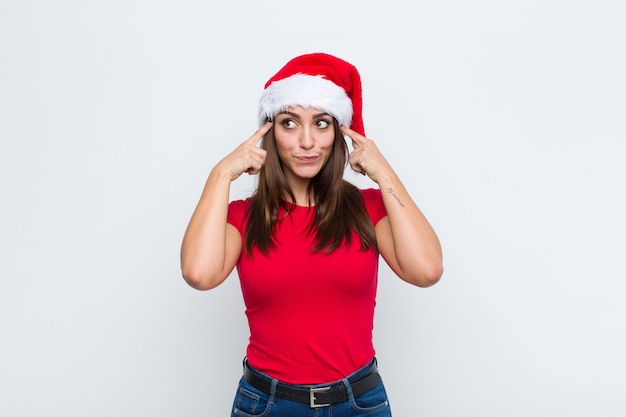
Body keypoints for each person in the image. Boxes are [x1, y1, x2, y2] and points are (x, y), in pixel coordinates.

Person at [181, 52, 443, 417]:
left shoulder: (368, 208)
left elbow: (427, 270)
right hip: (267, 404)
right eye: (290, 124)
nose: (307, 141)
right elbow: (199, 274)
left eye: (321, 123)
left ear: (339, 132)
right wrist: (220, 175)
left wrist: (386, 175)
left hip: (359, 403)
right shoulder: (242, 217)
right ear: (270, 132)